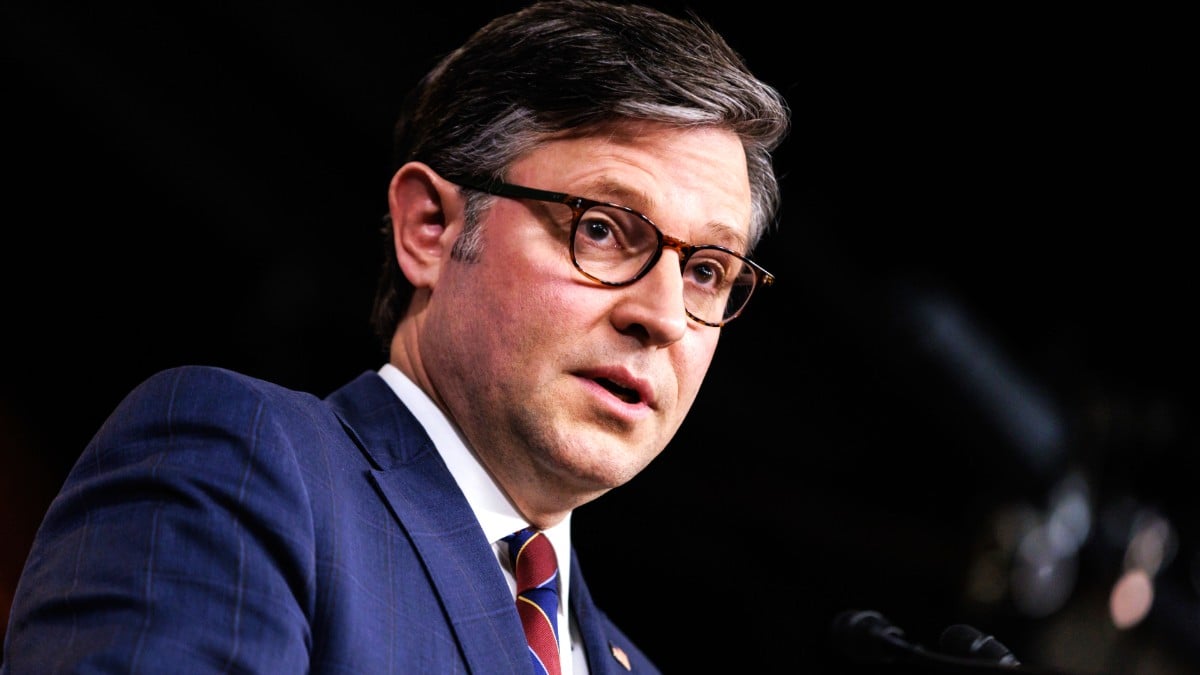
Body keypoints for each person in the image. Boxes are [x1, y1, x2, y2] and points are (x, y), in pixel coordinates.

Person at [1, 0, 789, 672]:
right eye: (602, 229)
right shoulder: (240, 462)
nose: (658, 314)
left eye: (707, 272)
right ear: (431, 227)